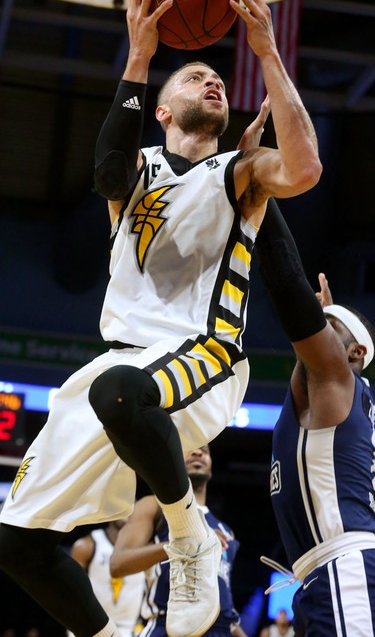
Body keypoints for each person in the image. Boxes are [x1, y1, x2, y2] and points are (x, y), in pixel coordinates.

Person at [0, 0, 322, 637]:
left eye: (216, 79)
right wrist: (140, 57)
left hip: (202, 352)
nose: (210, 81)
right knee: (16, 544)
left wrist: (264, 52)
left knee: (121, 389)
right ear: (163, 108)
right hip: (114, 369)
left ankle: (189, 536)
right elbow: (107, 172)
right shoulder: (137, 167)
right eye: (192, 78)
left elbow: (303, 169)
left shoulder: (239, 170)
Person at [254, 198, 375, 636]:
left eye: (329, 328)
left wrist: (258, 191)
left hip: (345, 563)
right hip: (329, 570)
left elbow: (287, 288)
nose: (317, 330)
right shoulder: (339, 396)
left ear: (355, 353)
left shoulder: (338, 381)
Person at [110, 445, 248, 637]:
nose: (198, 452)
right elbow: (118, 563)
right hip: (168, 625)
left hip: (220, 630)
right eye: (189, 448)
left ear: (211, 467)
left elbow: (227, 608)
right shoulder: (154, 505)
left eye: (205, 450)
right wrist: (185, 543)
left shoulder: (226, 532)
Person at [66, 520, 145, 637]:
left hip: (131, 629)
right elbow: (69, 595)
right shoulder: (87, 545)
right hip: (92, 627)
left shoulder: (145, 546)